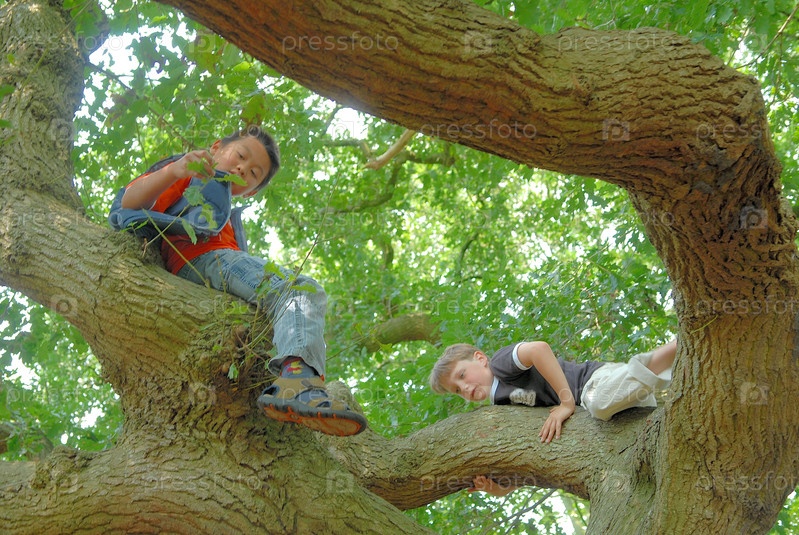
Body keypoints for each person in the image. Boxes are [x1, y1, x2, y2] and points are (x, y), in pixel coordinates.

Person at [109, 125, 367, 437]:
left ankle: (289, 388)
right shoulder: (193, 176)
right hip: (202, 259)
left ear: (252, 191)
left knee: (277, 309)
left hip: (218, 269)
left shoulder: (225, 211)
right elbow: (128, 204)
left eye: (254, 173)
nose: (243, 168)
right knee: (299, 290)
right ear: (216, 147)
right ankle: (299, 380)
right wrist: (175, 170)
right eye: (241, 156)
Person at [429, 338, 676, 495]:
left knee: (598, 403)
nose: (464, 388)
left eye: (462, 375)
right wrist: (499, 490)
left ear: (480, 359)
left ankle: (675, 349)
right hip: (623, 408)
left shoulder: (500, 367)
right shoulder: (500, 408)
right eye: (457, 390)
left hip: (595, 384)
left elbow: (539, 349)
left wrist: (566, 402)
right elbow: (525, 457)